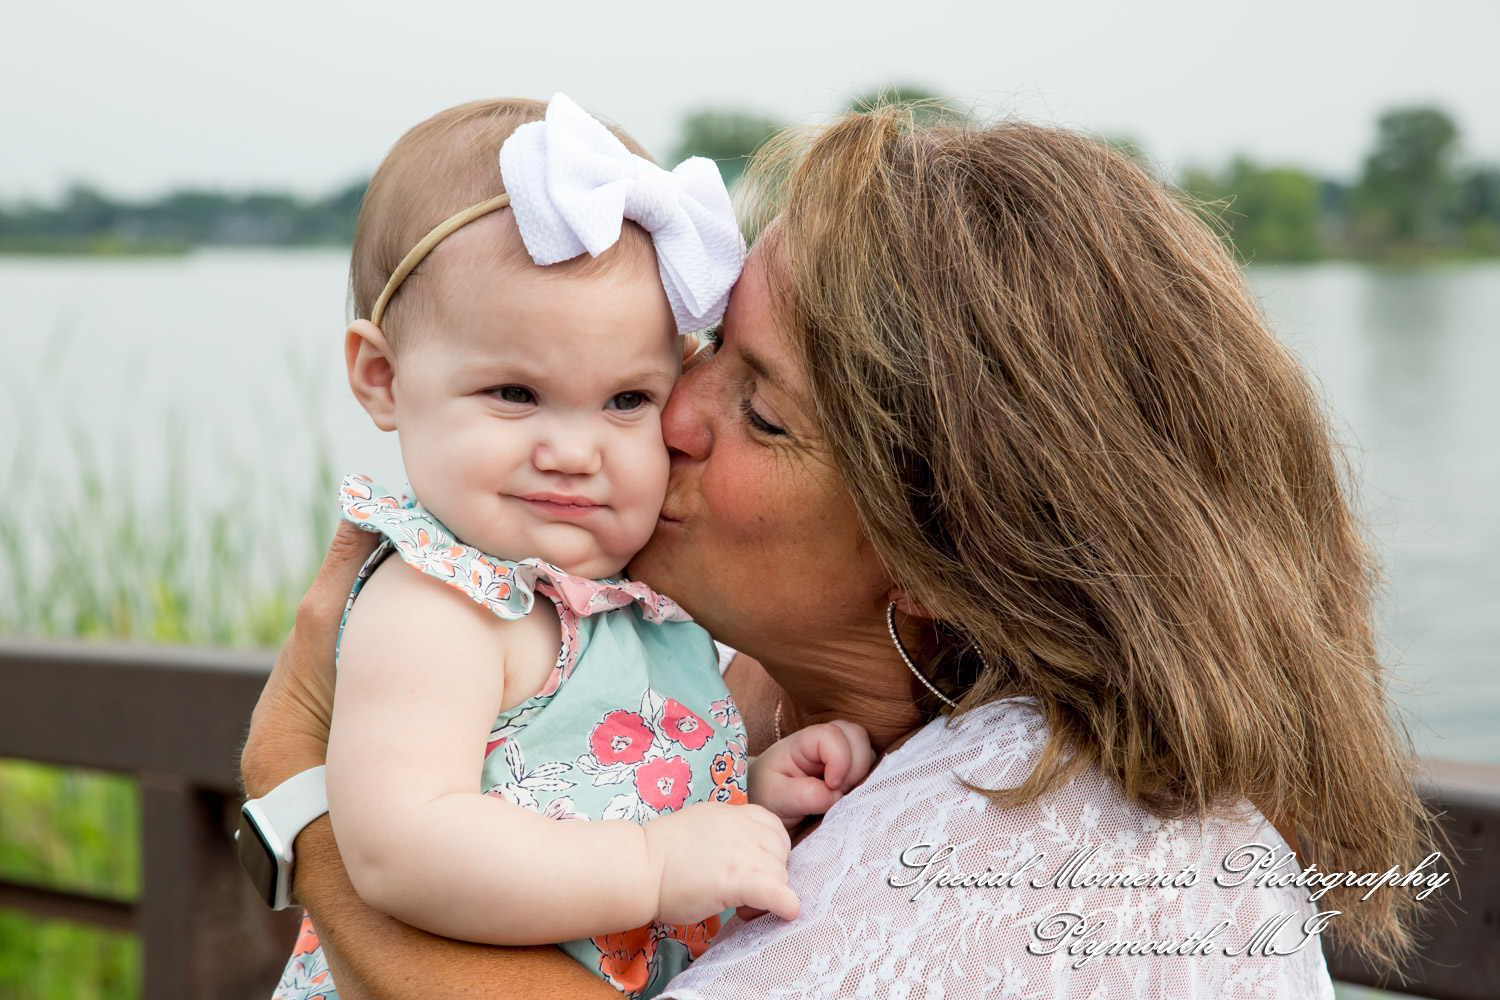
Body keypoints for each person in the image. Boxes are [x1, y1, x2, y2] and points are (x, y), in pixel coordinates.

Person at [242, 102, 1436, 999]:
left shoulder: (1047, 852)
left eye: (762, 411)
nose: (672, 418)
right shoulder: (740, 686)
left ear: (953, 550)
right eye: (707, 348)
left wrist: (298, 792)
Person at [270, 94, 876, 1000]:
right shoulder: (444, 604)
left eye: (627, 400)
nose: (573, 450)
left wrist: (744, 792)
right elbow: (401, 848)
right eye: (515, 392)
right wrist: (651, 863)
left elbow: (593, 776)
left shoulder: (620, 600)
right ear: (383, 378)